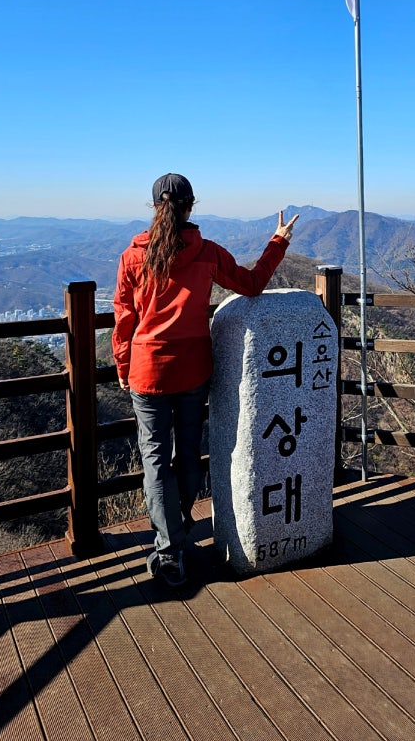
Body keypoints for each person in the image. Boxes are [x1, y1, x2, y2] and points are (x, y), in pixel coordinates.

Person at [112, 172, 298, 588]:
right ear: (192, 206)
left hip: (147, 369)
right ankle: (178, 535)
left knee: (155, 460)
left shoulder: (132, 256)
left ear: (154, 207)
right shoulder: (207, 252)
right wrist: (278, 241)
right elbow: (251, 284)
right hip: (194, 368)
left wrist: (123, 366)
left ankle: (169, 547)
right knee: (188, 453)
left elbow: (124, 318)